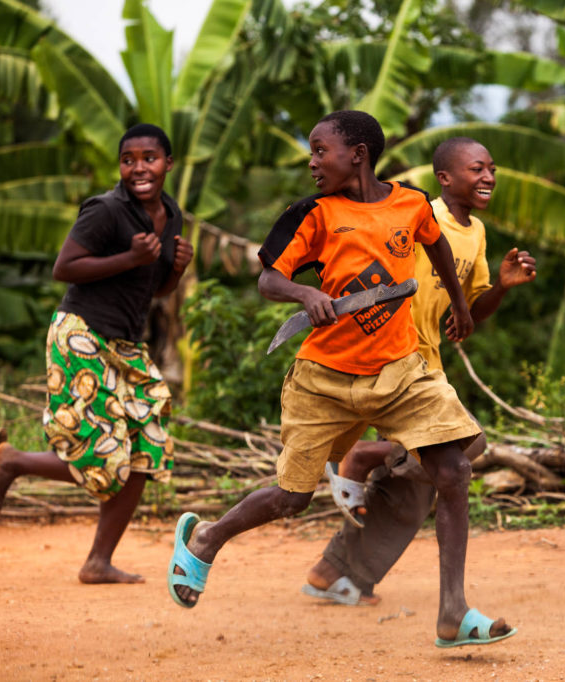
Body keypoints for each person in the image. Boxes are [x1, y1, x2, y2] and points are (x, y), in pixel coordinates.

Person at [166, 111, 516, 648]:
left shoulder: (412, 203)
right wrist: (306, 293)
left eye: (319, 150)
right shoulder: (313, 214)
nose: (312, 162)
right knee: (291, 498)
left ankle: (453, 611)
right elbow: (269, 277)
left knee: (453, 467)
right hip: (323, 378)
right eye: (311, 152)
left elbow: (436, 244)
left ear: (357, 154)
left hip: (400, 370)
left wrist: (461, 303)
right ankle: (206, 539)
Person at [302, 137, 536, 608]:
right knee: (468, 447)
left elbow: (470, 310)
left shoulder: (477, 234)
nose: (489, 176)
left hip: (430, 357)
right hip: (395, 353)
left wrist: (502, 289)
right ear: (445, 178)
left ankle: (337, 573)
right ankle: (367, 455)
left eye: (492, 168)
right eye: (477, 168)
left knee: (415, 492)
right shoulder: (415, 214)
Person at [0, 123, 193, 584]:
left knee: (146, 446)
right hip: (81, 334)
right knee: (101, 450)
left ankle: (99, 561)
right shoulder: (106, 210)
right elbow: (65, 268)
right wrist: (130, 259)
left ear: (168, 164)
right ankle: (13, 460)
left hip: (125, 344)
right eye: (128, 159)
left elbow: (154, 289)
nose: (139, 168)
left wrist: (174, 271)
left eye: (149, 158)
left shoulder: (172, 215)